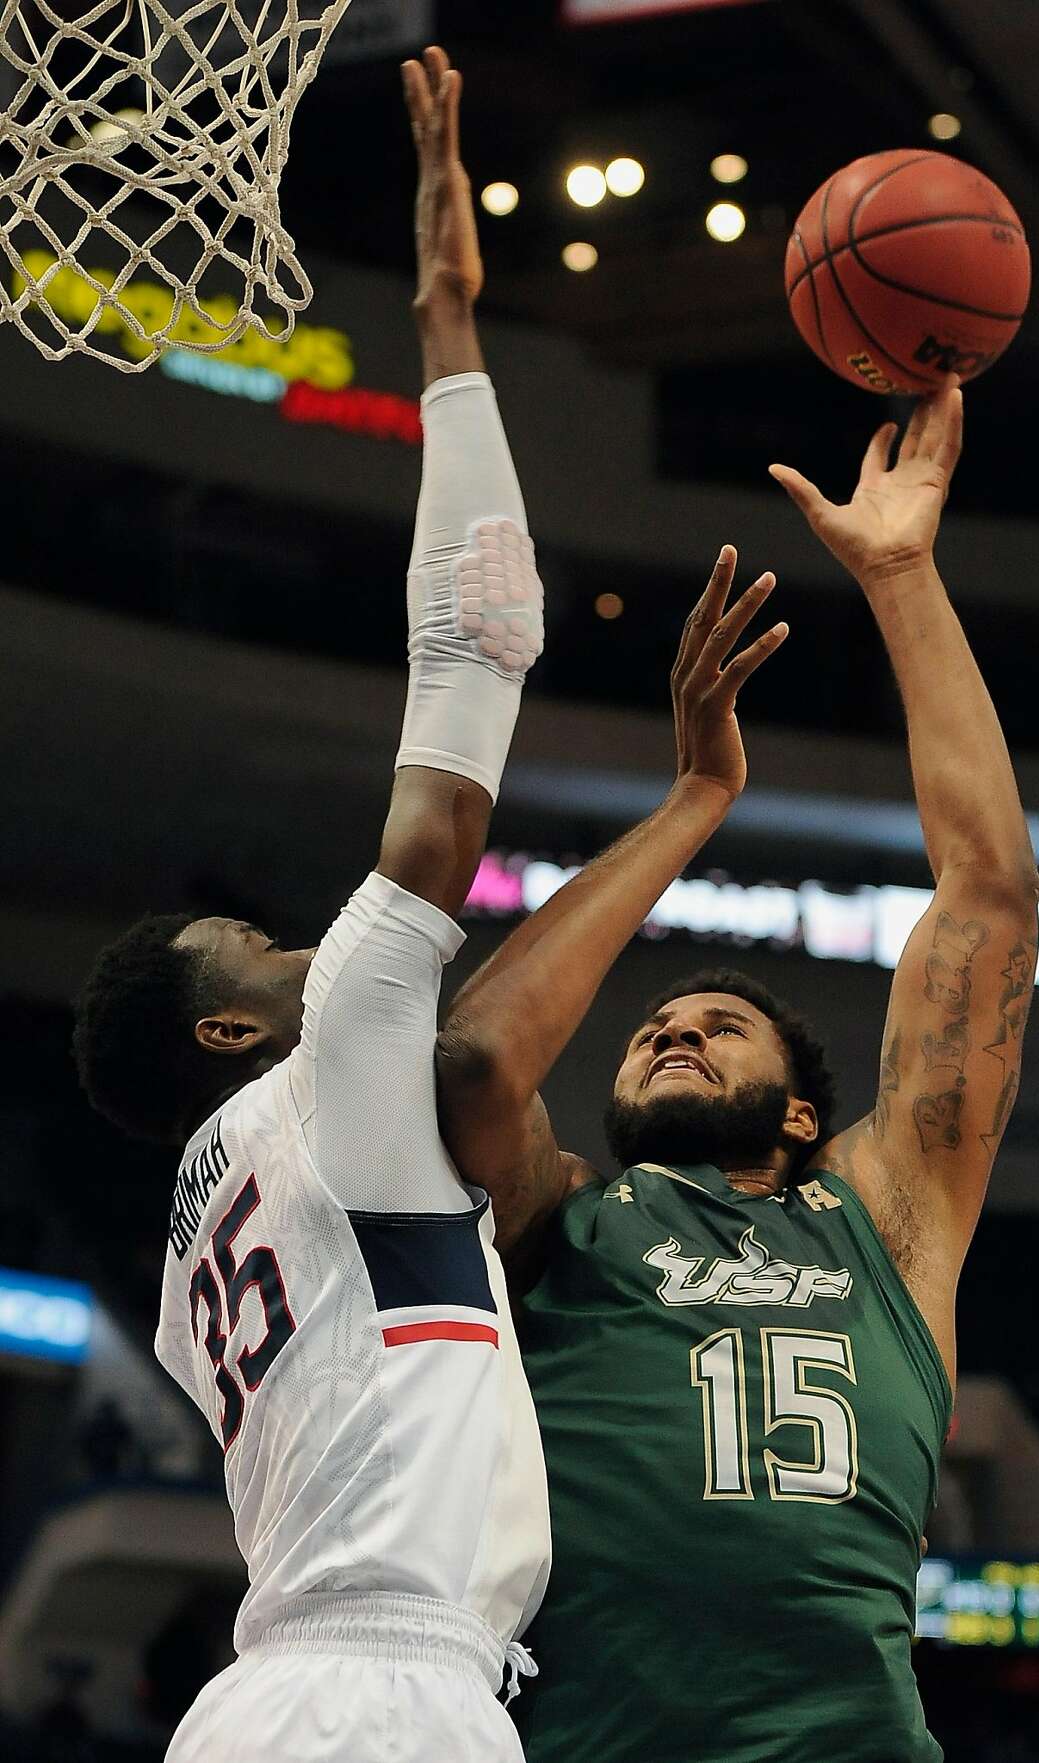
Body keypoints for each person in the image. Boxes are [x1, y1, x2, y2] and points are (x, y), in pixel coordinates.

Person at [436, 381, 1039, 1763]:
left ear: (808, 1110)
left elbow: (989, 897)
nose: (670, 1030)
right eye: (654, 1027)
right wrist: (690, 806)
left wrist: (900, 576)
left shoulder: (889, 1218)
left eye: (719, 1024)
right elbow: (473, 1061)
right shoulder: (557, 1218)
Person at [71, 47, 552, 1763]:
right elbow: (475, 647)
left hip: (286, 1691)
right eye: (267, 954)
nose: (310, 951)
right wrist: (446, 334)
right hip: (381, 1698)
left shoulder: (208, 1235)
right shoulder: (329, 1067)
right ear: (229, 1026)